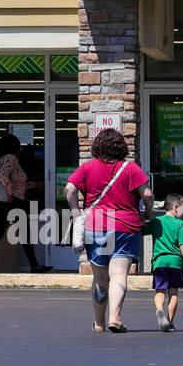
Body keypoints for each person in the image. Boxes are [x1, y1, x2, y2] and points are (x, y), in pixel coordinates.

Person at [66, 128, 152, 333]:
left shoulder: (88, 168)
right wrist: (149, 214)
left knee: (100, 277)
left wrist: (77, 212)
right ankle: (115, 317)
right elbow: (147, 194)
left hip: (95, 225)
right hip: (125, 225)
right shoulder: (130, 169)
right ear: (120, 146)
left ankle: (99, 322)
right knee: (119, 273)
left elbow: (69, 189)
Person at [0, 133, 52, 273]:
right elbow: (3, 177)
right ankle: (34, 265)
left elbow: (14, 181)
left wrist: (34, 185)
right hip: (13, 202)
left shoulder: (2, 159)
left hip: (3, 202)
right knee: (24, 232)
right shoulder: (12, 158)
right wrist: (11, 194)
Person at [148, 194, 183, 332]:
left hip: (160, 262)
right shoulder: (180, 224)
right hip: (175, 263)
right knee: (173, 293)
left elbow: (142, 230)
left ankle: (159, 309)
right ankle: (170, 321)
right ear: (175, 207)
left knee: (160, 290)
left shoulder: (157, 221)